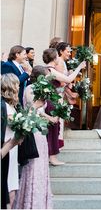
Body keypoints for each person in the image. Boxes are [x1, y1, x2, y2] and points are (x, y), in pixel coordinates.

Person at [13, 65, 53, 209]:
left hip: (41, 129)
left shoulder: (42, 90)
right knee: (33, 165)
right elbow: (30, 109)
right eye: (47, 76)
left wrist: (49, 117)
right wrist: (40, 103)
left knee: (42, 165)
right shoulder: (30, 89)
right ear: (40, 76)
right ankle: (30, 202)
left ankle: (41, 201)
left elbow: (40, 110)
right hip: (33, 129)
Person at [43, 48, 86, 165]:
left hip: (52, 100)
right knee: (53, 129)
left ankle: (51, 156)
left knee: (54, 129)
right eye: (57, 56)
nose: (58, 59)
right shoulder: (50, 70)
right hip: (52, 101)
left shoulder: (46, 69)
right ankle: (52, 157)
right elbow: (68, 79)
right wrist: (79, 68)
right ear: (54, 58)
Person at [1, 74, 20, 208]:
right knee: (8, 187)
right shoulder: (4, 107)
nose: (19, 87)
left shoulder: (10, 105)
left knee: (12, 187)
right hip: (7, 148)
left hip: (12, 149)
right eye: (17, 84)